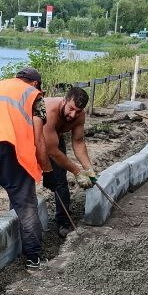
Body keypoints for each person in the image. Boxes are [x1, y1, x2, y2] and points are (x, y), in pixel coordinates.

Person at [0, 67, 51, 268]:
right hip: (12, 152)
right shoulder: (33, 94)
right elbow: (39, 138)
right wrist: (46, 169)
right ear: (35, 83)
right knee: (26, 206)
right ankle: (33, 259)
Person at [42, 87, 96, 238]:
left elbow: (78, 142)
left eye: (78, 111)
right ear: (64, 100)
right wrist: (78, 172)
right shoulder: (49, 110)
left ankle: (63, 222)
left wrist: (89, 170)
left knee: (60, 181)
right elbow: (51, 151)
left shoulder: (79, 116)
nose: (73, 115)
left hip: (54, 140)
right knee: (24, 183)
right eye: (71, 108)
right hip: (31, 140)